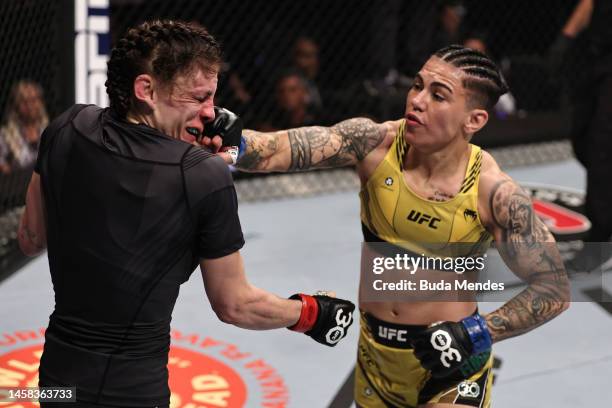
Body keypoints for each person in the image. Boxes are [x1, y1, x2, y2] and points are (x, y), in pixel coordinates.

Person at [208, 45, 570, 407]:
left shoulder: (494, 193)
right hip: (376, 356)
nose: (416, 101)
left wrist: (479, 332)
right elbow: (277, 149)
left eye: (438, 95)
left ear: (473, 120)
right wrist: (233, 137)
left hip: (453, 367)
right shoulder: (373, 144)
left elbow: (554, 289)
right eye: (417, 85)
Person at [18, 20, 355, 407]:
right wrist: (311, 312)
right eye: (200, 98)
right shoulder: (202, 176)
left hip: (56, 380)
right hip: (132, 392)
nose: (211, 113)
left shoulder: (66, 126)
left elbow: (30, 240)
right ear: (146, 89)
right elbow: (235, 304)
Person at [548, 0, 612, 244]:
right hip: (597, 54)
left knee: (602, 142)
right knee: (582, 135)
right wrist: (567, 36)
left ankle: (600, 235)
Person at [0, 80, 49, 172]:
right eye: (24, 101)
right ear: (15, 106)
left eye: (34, 100)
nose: (30, 106)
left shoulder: (50, 131)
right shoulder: (6, 135)